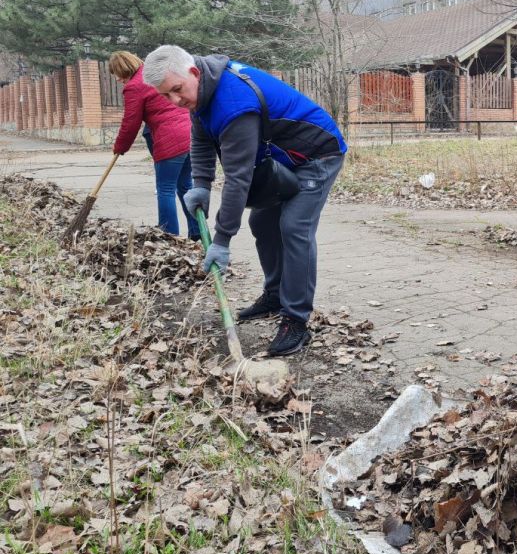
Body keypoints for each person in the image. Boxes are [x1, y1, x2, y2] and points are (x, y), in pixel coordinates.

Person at [142, 45, 347, 357]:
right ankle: (275, 295)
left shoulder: (232, 103)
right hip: (283, 158)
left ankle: (296, 319)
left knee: (294, 227)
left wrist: (222, 240)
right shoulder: (202, 91)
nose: (175, 101)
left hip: (317, 153)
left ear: (193, 73)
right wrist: (201, 184)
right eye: (166, 95)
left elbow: (239, 178)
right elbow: (200, 138)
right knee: (262, 221)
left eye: (177, 90)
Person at [109, 51, 201, 241]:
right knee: (185, 185)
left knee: (165, 189)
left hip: (170, 139)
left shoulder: (134, 86)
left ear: (122, 69)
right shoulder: (155, 75)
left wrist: (120, 146)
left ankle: (169, 237)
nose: (117, 79)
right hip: (191, 134)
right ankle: (197, 232)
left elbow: (130, 123)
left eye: (116, 73)